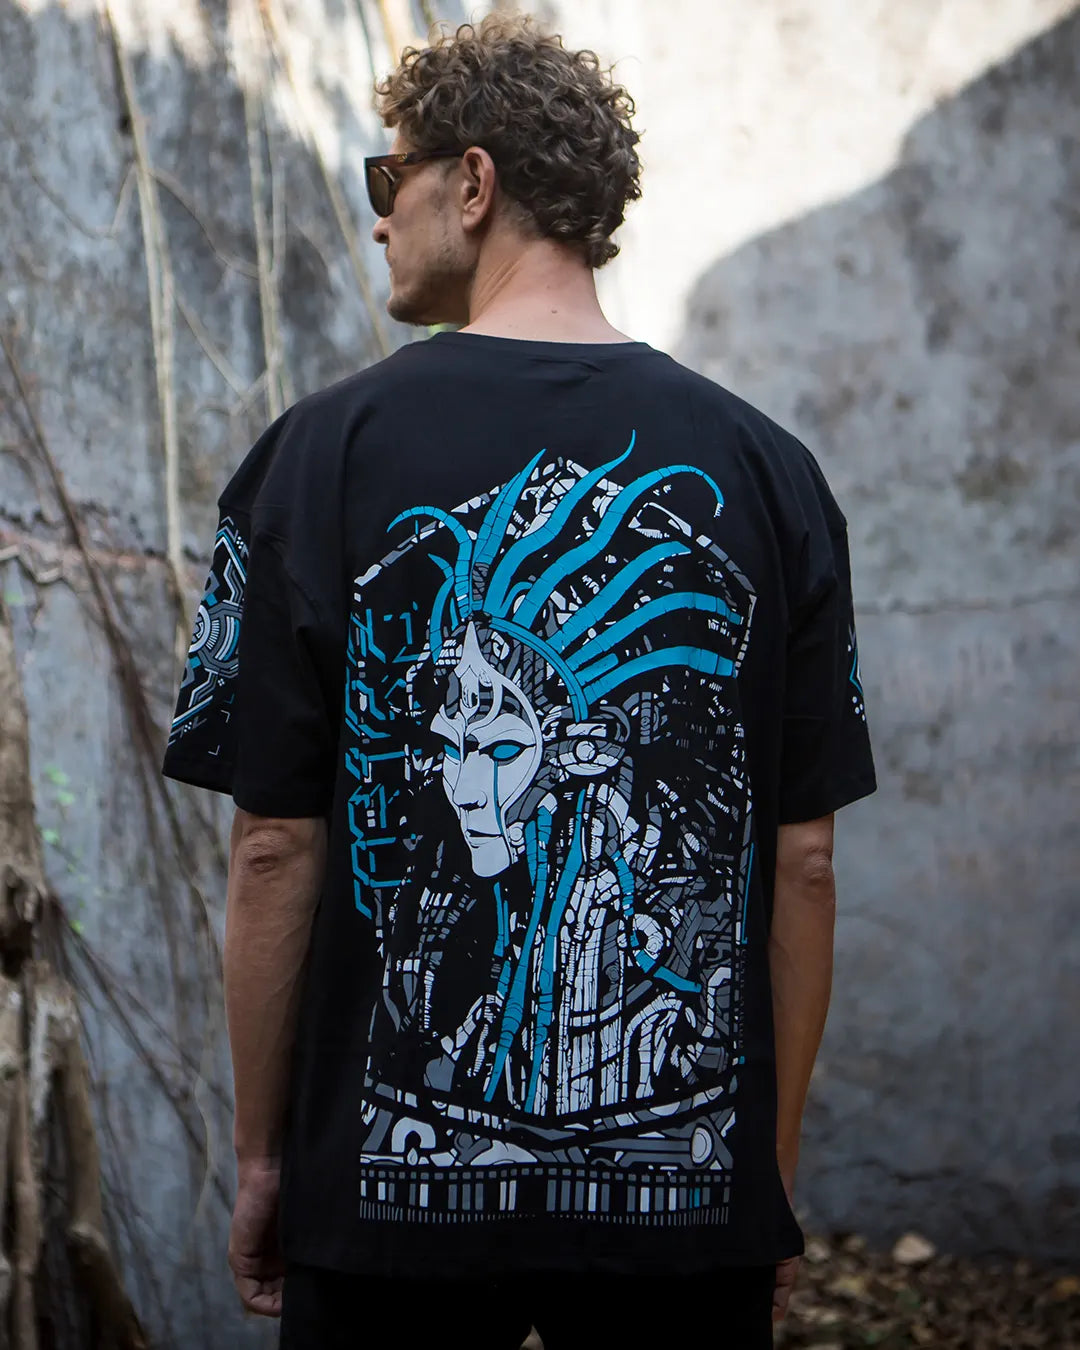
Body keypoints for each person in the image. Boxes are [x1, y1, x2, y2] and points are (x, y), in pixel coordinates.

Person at [162, 14, 876, 1349]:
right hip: (687, 1231)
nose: (379, 217)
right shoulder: (777, 476)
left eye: (393, 178)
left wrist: (265, 1158)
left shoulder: (313, 459)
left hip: (382, 1228)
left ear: (474, 183)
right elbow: (808, 863)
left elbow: (271, 847)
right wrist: (761, 1180)